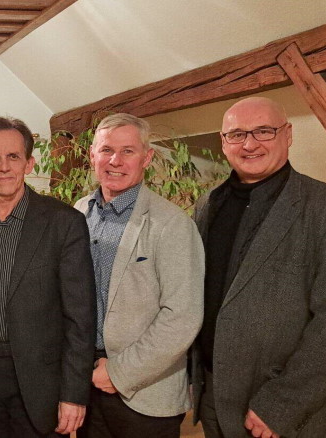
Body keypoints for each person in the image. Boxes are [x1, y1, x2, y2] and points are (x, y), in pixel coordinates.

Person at [192, 96, 326, 438]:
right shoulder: (207, 205)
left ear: (288, 135)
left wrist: (282, 404)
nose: (249, 144)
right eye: (237, 134)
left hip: (282, 412)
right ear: (223, 143)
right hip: (214, 397)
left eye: (264, 131)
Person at [0, 116, 95, 438]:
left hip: (39, 381)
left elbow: (80, 318)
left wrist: (73, 394)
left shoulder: (63, 223)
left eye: (13, 156)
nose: (4, 167)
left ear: (29, 163)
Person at [72, 113, 204, 438]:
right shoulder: (78, 213)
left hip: (145, 394)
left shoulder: (172, 224)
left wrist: (119, 373)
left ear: (147, 157)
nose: (115, 161)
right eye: (106, 150)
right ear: (92, 155)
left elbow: (182, 317)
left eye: (128, 151)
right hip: (86, 384)